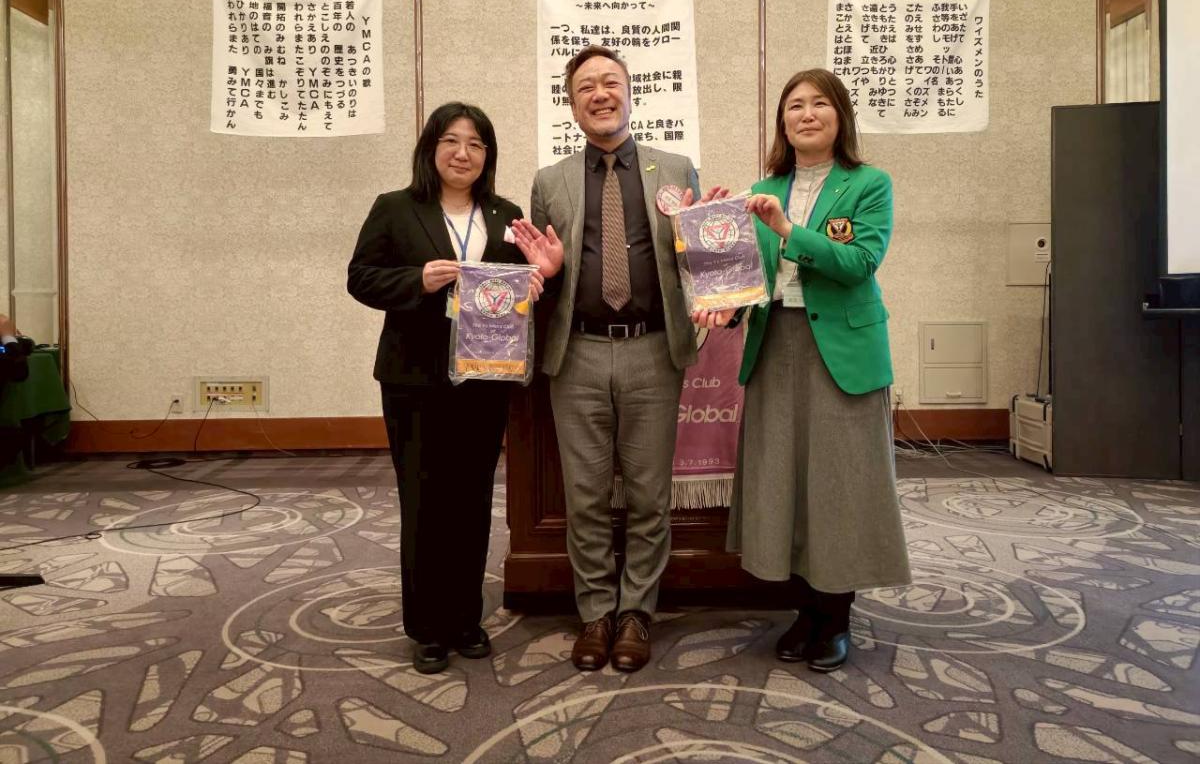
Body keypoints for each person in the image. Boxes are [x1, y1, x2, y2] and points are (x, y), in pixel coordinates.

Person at [696, 68, 911, 673]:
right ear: (782, 122)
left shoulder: (869, 184)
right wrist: (723, 304)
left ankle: (835, 616)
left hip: (841, 351)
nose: (807, 114)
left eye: (820, 104)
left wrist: (788, 229)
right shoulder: (764, 188)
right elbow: (747, 280)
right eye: (795, 106)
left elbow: (859, 262)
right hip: (776, 348)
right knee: (784, 480)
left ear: (840, 117)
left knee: (840, 483)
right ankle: (804, 610)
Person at [511, 45, 718, 673]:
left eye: (610, 83)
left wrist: (718, 254)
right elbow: (543, 274)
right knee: (586, 496)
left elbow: (696, 261)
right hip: (577, 354)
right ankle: (596, 612)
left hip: (653, 350)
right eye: (585, 88)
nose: (599, 94)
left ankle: (636, 614)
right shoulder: (550, 181)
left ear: (630, 93)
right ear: (572, 107)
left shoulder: (674, 168)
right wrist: (545, 274)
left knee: (650, 495)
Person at [347, 102, 543, 675]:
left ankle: (464, 619)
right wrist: (417, 279)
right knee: (423, 501)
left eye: (476, 144)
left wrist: (535, 282)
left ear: (488, 155)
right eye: (452, 141)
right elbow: (360, 278)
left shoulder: (506, 214)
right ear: (431, 148)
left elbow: (523, 285)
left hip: (484, 376)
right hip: (414, 378)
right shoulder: (395, 208)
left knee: (473, 499)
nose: (464, 153)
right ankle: (427, 627)